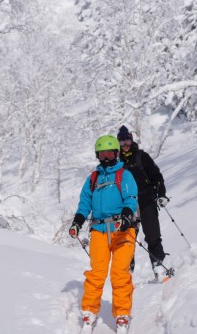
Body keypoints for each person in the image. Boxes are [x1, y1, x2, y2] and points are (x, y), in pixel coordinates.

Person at [68, 135, 138, 331]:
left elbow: (131, 198)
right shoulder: (93, 178)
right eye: (102, 154)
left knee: (119, 273)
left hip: (122, 230)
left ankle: (122, 314)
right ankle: (89, 312)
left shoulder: (124, 175)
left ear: (116, 154)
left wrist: (125, 216)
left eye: (109, 154)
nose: (106, 158)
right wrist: (77, 222)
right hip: (99, 231)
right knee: (96, 273)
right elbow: (84, 203)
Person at [116, 125, 169, 279]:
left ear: (131, 140)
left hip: (146, 201)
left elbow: (156, 176)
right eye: (122, 142)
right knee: (127, 238)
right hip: (127, 206)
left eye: (127, 140)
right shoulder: (117, 163)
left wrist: (161, 194)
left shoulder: (142, 157)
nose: (125, 145)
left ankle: (159, 268)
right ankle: (127, 273)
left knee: (152, 236)